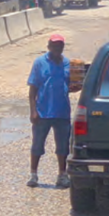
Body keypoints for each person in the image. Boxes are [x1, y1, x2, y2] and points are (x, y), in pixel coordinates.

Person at [27, 34, 76, 189]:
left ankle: (62, 175)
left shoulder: (68, 63)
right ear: (49, 46)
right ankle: (33, 175)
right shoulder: (39, 62)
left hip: (62, 112)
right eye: (54, 45)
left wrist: (76, 87)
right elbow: (32, 88)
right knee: (37, 144)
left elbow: (71, 85)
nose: (57, 48)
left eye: (60, 45)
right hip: (43, 112)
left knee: (63, 146)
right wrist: (33, 111)